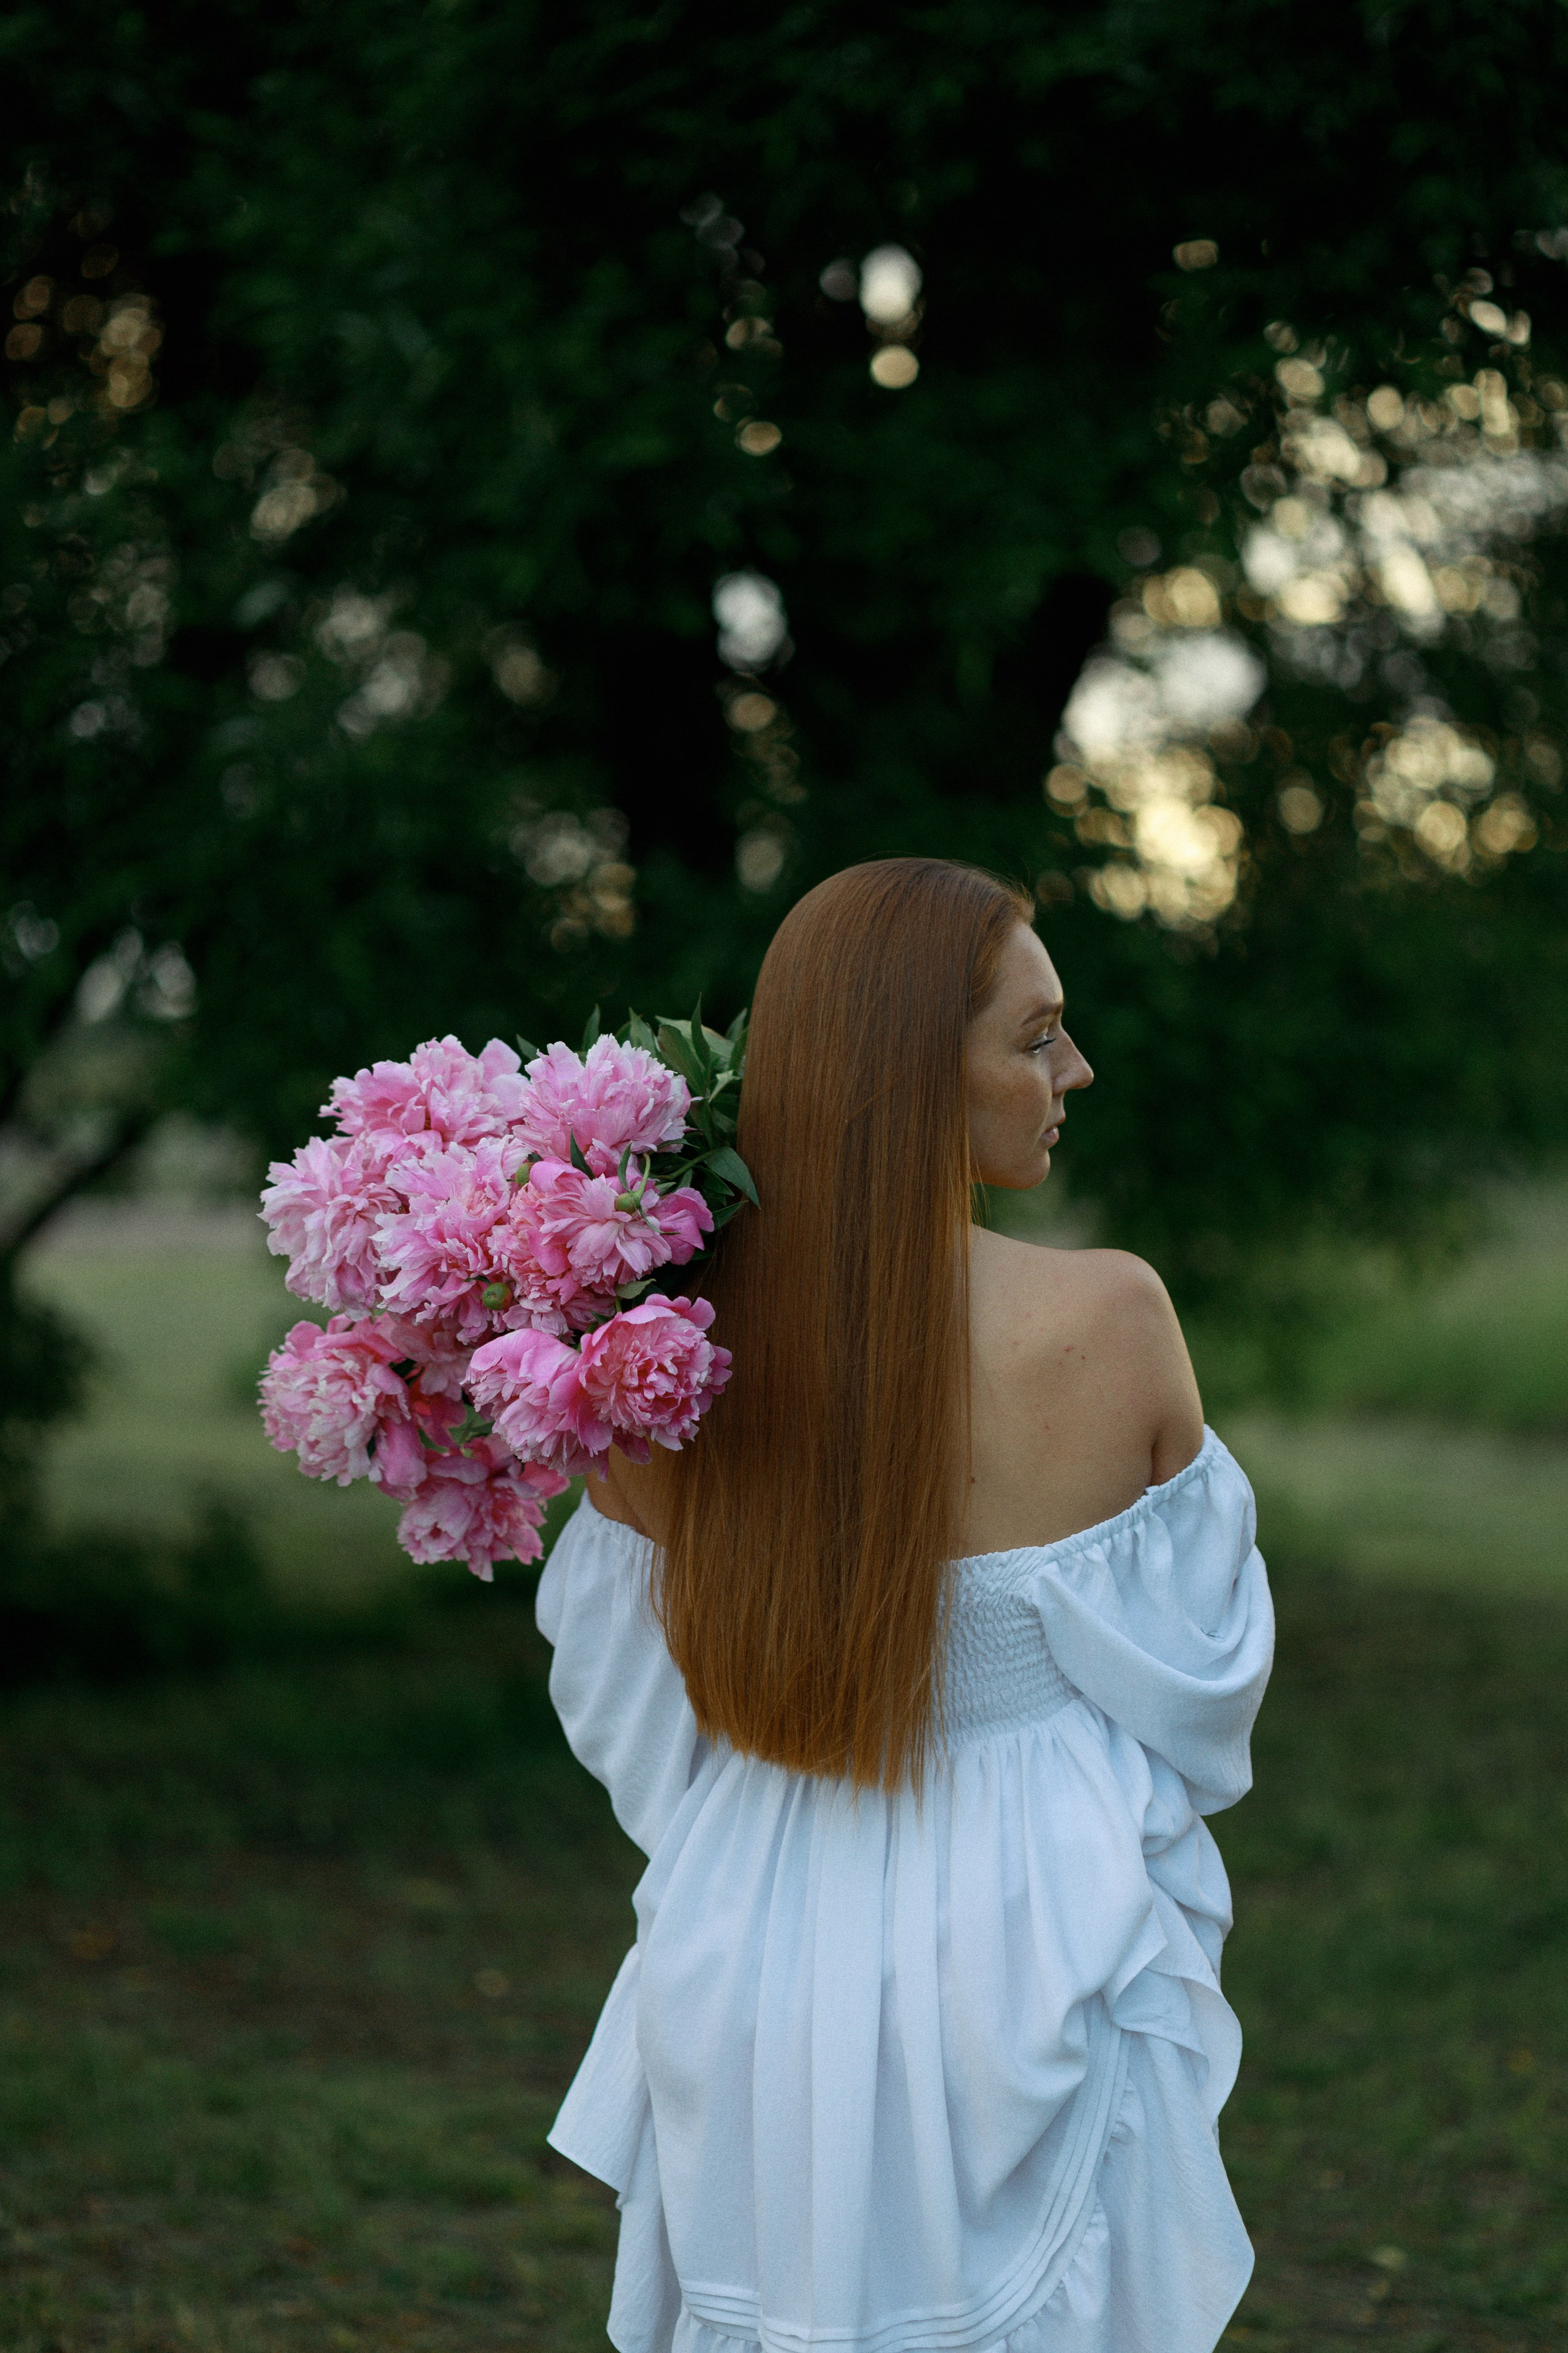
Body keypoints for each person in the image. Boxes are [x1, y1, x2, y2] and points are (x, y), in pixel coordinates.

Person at [536, 858, 1274, 2353]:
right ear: (907, 1065)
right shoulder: (1109, 1322)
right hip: (1028, 1936)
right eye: (1034, 1034)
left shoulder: (653, 1362)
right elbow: (1196, 1696)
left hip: (750, 1929)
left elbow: (633, 1718)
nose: (1075, 1067)